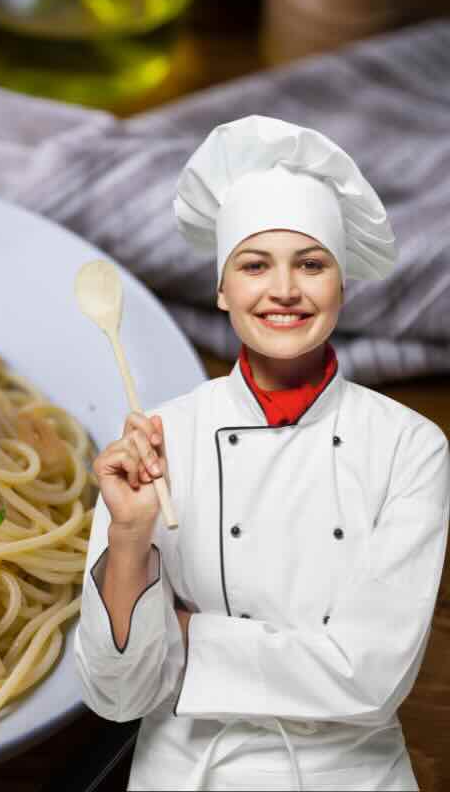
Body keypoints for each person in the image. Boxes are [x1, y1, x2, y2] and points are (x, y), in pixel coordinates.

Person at [72, 115, 450, 791]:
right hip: (188, 771)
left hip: (354, 776)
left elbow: (370, 679)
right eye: (254, 264)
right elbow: (117, 697)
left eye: (311, 264)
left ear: (340, 285)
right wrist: (129, 535)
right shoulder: (157, 439)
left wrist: (186, 637)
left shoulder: (411, 446)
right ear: (222, 290)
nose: (284, 290)